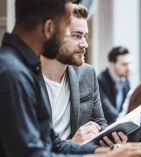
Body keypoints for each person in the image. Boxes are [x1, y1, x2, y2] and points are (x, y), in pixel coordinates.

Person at [0, 0, 141, 156]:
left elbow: (54, 144)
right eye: (66, 30)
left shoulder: (24, 68)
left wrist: (114, 152)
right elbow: (31, 154)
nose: (84, 44)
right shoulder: (12, 73)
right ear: (49, 28)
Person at [40, 4, 127, 145]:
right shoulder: (22, 78)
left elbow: (99, 123)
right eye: (77, 36)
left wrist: (110, 139)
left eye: (85, 36)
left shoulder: (87, 73)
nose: (85, 44)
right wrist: (72, 145)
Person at [97, 47, 131, 124]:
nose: (129, 68)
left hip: (120, 126)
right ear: (112, 63)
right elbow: (107, 111)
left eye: (130, 63)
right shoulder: (99, 81)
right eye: (124, 64)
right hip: (106, 128)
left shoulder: (125, 81)